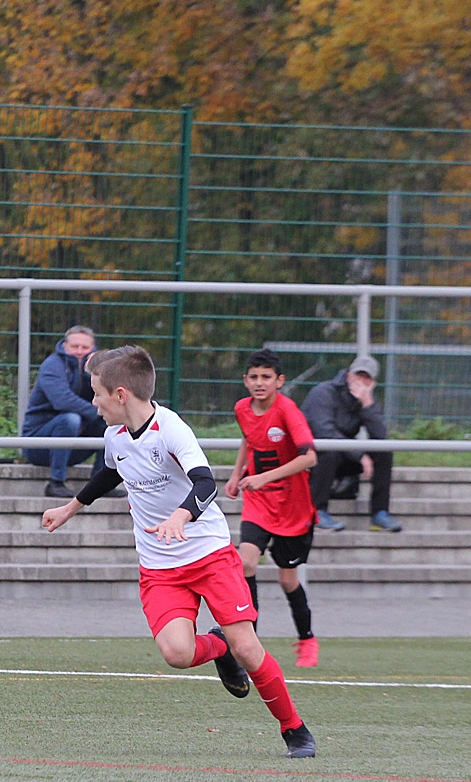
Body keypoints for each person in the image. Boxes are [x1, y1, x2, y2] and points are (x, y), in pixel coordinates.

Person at [42, 345, 316, 758]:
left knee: (248, 648)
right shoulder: (114, 436)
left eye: (97, 394)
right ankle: (218, 646)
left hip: (208, 553)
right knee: (177, 653)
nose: (93, 403)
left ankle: (294, 729)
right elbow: (110, 473)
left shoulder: (170, 428)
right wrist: (70, 508)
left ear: (120, 395)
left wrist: (180, 517)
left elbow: (205, 482)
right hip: (159, 566)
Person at [223, 349, 320, 667]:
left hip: (293, 507)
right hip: (259, 503)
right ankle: (248, 641)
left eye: (266, 377)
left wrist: (263, 477)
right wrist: (237, 475)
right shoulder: (242, 408)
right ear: (245, 380)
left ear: (279, 381)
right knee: (245, 562)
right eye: (253, 377)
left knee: (287, 580)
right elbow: (248, 439)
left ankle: (307, 639)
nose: (259, 382)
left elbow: (310, 457)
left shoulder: (288, 410)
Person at [301, 354, 403, 533]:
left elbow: (381, 437)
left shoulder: (365, 400)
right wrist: (359, 454)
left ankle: (380, 513)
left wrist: (367, 404)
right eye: (358, 375)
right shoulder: (323, 393)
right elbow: (324, 433)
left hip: (342, 455)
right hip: (309, 456)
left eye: (367, 378)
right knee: (329, 450)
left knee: (384, 451)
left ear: (373, 383)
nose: (361, 381)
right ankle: (317, 512)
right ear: (348, 375)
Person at [21, 324, 107, 498]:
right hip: (39, 444)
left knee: (111, 423)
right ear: (65, 346)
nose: (79, 351)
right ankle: (56, 483)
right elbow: (62, 401)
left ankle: (102, 484)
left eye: (85, 347)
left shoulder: (98, 369)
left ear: (93, 349)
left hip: (74, 444)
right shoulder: (52, 365)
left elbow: (108, 397)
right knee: (70, 419)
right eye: (75, 346)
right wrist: (99, 412)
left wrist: (91, 374)